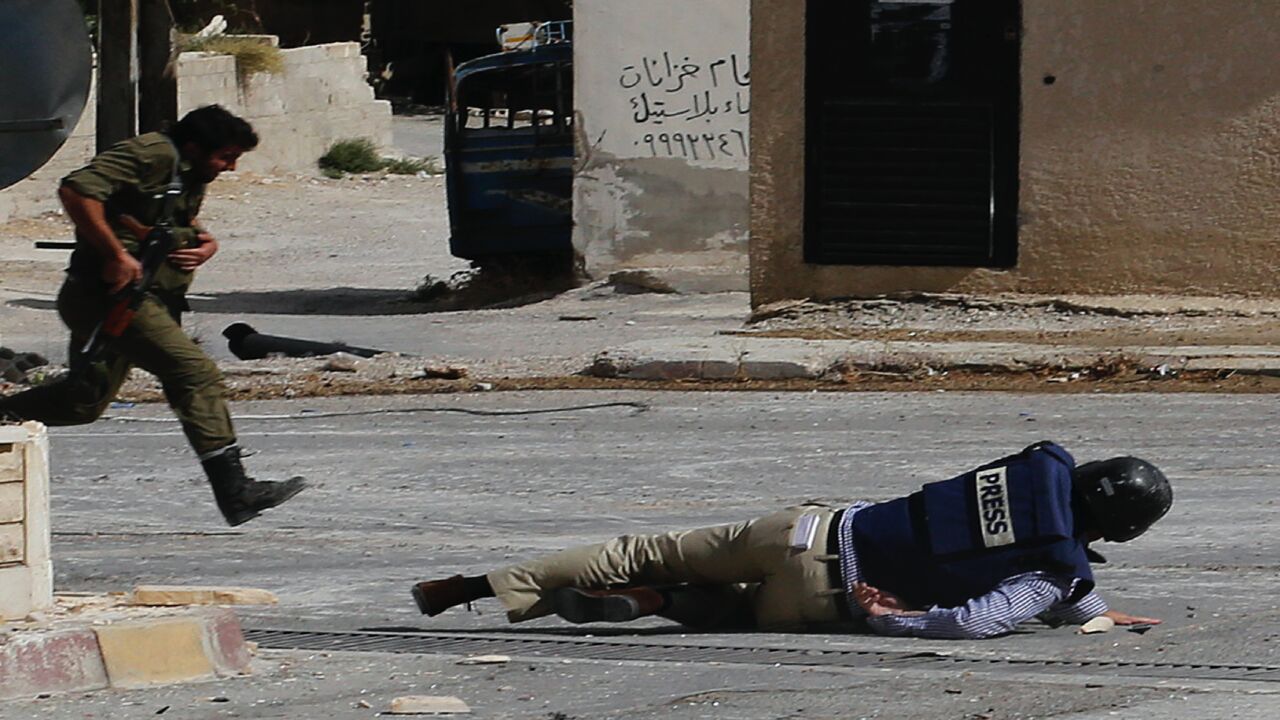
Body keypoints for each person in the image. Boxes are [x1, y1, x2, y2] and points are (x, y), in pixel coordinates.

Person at [409, 442, 1172, 639]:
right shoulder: (1054, 566)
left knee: (644, 545)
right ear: (1121, 531)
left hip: (806, 527)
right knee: (732, 613)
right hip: (824, 595)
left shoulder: (1036, 467)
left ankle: (480, 585)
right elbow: (975, 618)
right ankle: (655, 605)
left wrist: (1090, 602)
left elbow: (1039, 560)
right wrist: (888, 616)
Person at [0, 105, 306, 526]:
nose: (231, 167)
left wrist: (205, 243)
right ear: (196, 146)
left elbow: (165, 215)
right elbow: (76, 190)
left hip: (144, 300)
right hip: (110, 297)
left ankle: (3, 415)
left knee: (82, 401)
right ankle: (237, 492)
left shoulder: (186, 170)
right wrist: (116, 254)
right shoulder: (152, 153)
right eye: (225, 156)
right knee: (195, 374)